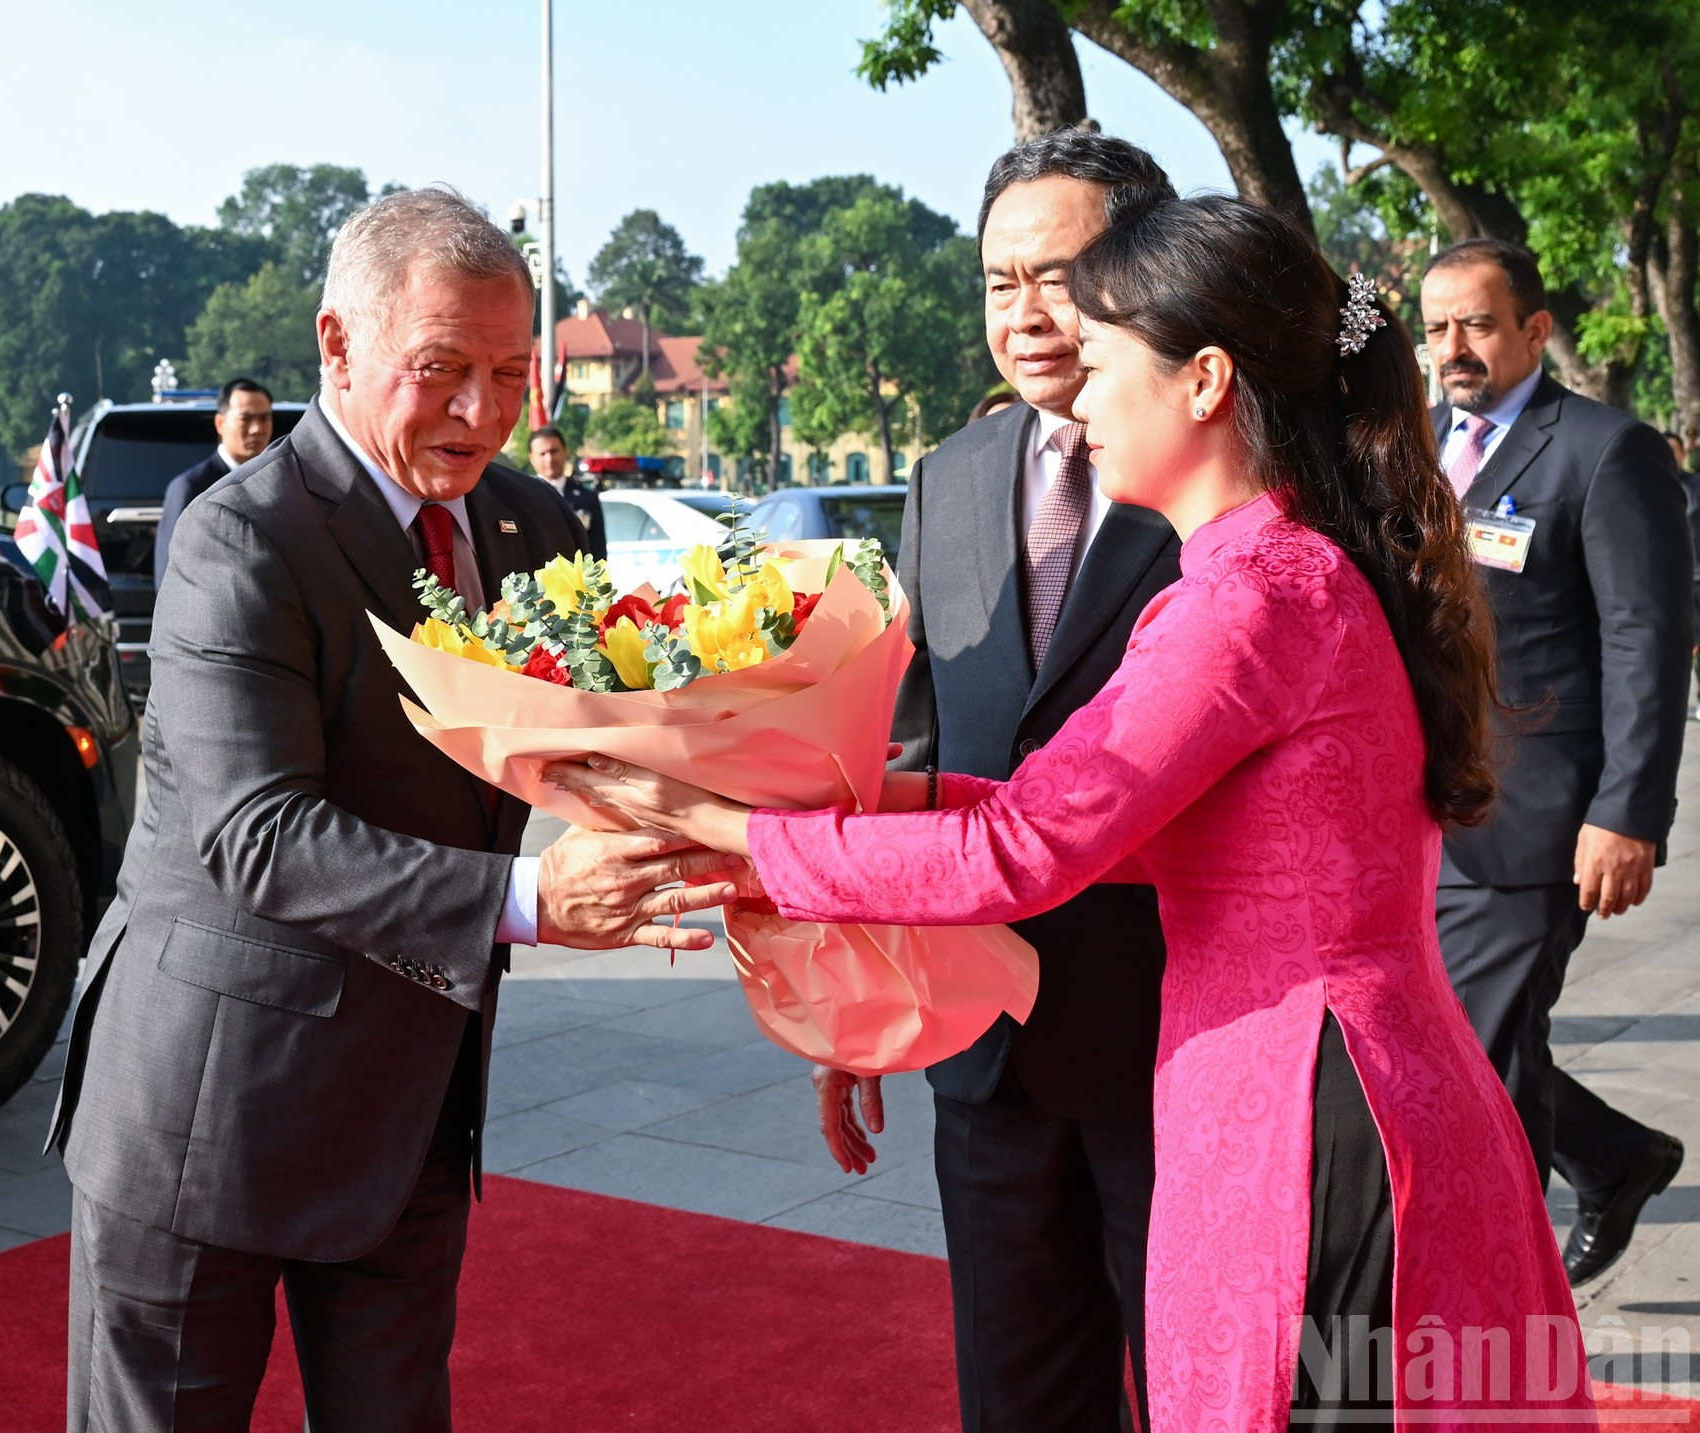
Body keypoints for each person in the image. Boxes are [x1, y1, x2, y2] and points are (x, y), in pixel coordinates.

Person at [547, 197, 1590, 1428]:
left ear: (1202, 381)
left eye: (1097, 364)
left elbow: (1026, 848)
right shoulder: (1273, 568)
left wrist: (720, 826)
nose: (1075, 400)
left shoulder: (1252, 594)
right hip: (1304, 1077)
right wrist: (829, 799)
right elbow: (1099, 820)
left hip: (1313, 1104)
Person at [47, 188, 737, 1433]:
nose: (480, 409)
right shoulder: (239, 538)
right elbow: (258, 832)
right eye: (441, 369)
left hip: (411, 1104)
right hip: (210, 1106)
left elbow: (576, 736)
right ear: (337, 345)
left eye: (510, 371)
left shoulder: (526, 521)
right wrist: (532, 899)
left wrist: (736, 818)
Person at [820, 131, 1178, 1433]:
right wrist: (860, 993)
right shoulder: (950, 478)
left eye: (1061, 274)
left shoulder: (1222, 476)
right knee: (1017, 1401)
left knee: (1212, 1395)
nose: (1026, 313)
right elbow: (910, 752)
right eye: (998, 279)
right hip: (981, 1044)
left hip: (1171, 1040)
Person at [1419, 239, 1693, 1285]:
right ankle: (1614, 1158)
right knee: (1450, 1038)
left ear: (1533, 330)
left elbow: (1645, 636)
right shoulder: (1414, 447)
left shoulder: (1600, 449)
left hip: (1537, 820)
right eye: (1436, 324)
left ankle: (1492, 1305)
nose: (1452, 346)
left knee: (1472, 1066)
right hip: (1420, 815)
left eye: (1476, 324)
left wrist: (1626, 811)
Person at [155, 377, 275, 588]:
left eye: (264, 418)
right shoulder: (192, 488)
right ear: (220, 423)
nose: (257, 429)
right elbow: (169, 575)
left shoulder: (280, 482)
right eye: (245, 419)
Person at [528, 424, 606, 559]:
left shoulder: (588, 498)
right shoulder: (522, 497)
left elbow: (598, 548)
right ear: (531, 457)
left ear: (565, 451)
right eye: (542, 453)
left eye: (554, 451)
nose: (549, 459)